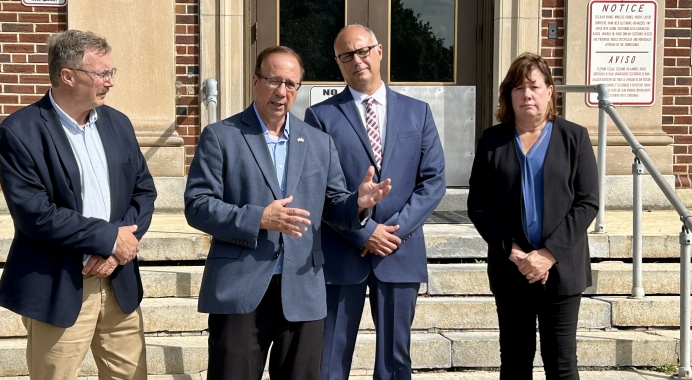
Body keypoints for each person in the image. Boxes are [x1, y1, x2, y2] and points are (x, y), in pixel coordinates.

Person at [184, 45, 391, 380]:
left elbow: (333, 207)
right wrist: (258, 219)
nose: (282, 92)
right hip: (240, 288)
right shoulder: (222, 137)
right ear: (255, 81)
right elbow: (197, 205)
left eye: (291, 84)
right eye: (273, 81)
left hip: (301, 287)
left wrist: (358, 204)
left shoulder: (318, 142)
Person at [0, 30, 156, 380]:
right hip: (59, 284)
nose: (110, 82)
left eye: (112, 73)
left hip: (119, 283)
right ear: (67, 76)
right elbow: (35, 214)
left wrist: (116, 252)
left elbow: (143, 193)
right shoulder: (20, 132)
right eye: (101, 74)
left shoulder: (119, 124)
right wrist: (109, 239)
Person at [304, 24, 446, 379]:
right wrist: (364, 231)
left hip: (400, 251)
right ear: (338, 63)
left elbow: (433, 181)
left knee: (395, 361)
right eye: (347, 55)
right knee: (330, 360)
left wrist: (393, 231)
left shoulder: (418, 112)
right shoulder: (320, 117)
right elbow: (318, 189)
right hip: (342, 252)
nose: (358, 60)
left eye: (363, 50)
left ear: (379, 52)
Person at [467, 53, 598, 380]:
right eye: (519, 88)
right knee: (514, 361)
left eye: (535, 87)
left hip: (561, 269)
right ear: (508, 95)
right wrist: (513, 252)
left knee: (562, 363)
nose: (527, 94)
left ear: (550, 91)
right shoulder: (492, 141)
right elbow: (478, 204)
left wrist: (548, 255)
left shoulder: (575, 138)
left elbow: (587, 202)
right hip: (512, 268)